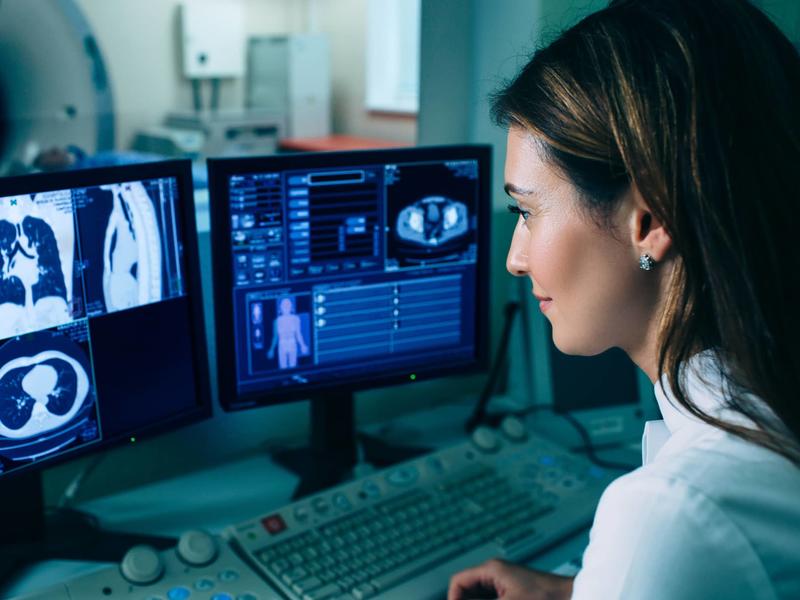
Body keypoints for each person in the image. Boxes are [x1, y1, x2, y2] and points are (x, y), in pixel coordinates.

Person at [448, 1, 800, 598]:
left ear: (650, 218)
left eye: (528, 211)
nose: (515, 258)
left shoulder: (671, 514)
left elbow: (686, 534)